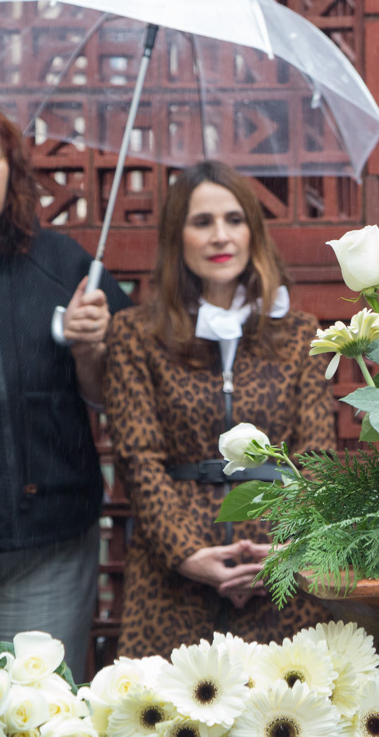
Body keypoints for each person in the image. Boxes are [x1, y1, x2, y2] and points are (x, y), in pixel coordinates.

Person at [103, 161, 334, 655]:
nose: (220, 236)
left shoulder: (297, 334)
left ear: (253, 231)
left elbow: (317, 456)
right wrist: (187, 553)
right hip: (174, 575)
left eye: (234, 219)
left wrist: (288, 550)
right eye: (201, 222)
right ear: (177, 237)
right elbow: (137, 456)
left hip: (278, 566)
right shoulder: (136, 335)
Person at [0, 98, 129, 677]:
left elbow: (116, 399)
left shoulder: (64, 266)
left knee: (42, 711)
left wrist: (93, 348)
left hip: (51, 543)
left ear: (12, 170)